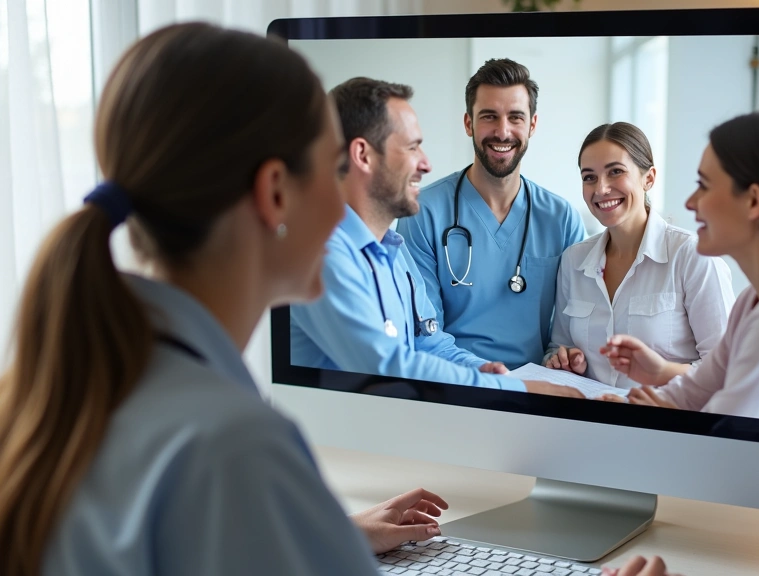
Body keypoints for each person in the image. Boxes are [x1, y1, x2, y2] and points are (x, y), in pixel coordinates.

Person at [0, 23, 527, 576]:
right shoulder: (235, 448)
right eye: (329, 168)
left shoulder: (83, 388)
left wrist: (316, 531)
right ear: (276, 193)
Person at [289, 77, 579, 398]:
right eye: (412, 147)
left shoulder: (393, 251)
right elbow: (384, 364)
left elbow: (428, 341)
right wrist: (514, 387)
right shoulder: (319, 254)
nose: (426, 164)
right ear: (363, 155)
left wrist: (480, 370)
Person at [599, 108, 759, 423]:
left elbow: (723, 440)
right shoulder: (752, 300)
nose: (690, 202)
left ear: (754, 201)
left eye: (705, 185)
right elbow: (695, 391)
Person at [397, 58, 587, 370]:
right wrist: (485, 375)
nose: (502, 131)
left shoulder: (562, 219)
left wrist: (562, 357)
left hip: (539, 384)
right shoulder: (422, 213)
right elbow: (424, 334)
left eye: (515, 117)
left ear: (532, 125)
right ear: (468, 123)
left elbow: (574, 327)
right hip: (455, 381)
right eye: (489, 116)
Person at [544, 122, 734, 389]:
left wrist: (663, 374)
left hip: (666, 413)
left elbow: (726, 369)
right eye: (589, 177)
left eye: (616, 172)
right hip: (590, 413)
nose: (601, 189)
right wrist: (564, 359)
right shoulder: (573, 260)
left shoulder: (693, 256)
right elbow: (558, 346)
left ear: (649, 178)